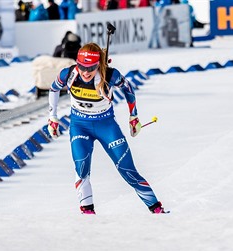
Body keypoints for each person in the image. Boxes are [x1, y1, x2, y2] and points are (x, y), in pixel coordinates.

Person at [46, 43, 167, 215]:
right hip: (80, 126)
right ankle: (87, 212)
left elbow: (128, 88)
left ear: (98, 65)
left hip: (106, 126)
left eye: (91, 68)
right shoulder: (68, 74)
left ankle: (156, 209)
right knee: (81, 169)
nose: (86, 72)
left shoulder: (110, 75)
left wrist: (134, 116)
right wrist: (53, 117)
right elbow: (53, 89)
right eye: (82, 66)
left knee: (128, 170)